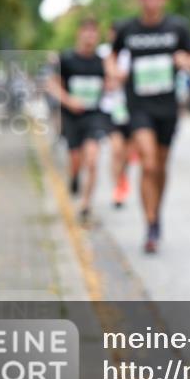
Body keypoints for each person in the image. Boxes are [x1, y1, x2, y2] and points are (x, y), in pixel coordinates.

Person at [106, 0, 190, 253]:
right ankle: (149, 224)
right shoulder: (127, 29)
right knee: (147, 163)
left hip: (167, 107)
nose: (151, 1)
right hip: (139, 106)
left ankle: (157, 215)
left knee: (160, 165)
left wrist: (186, 61)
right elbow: (111, 56)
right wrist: (115, 72)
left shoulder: (177, 28)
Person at [50, 18, 109, 225]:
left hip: (94, 116)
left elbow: (111, 82)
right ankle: (74, 178)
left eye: (94, 33)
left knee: (92, 160)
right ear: (79, 34)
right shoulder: (67, 59)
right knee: (75, 161)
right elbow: (52, 85)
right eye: (87, 32)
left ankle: (85, 204)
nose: (90, 36)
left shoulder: (102, 61)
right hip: (72, 117)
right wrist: (68, 100)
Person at [98, 29, 132, 209]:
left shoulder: (129, 54)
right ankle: (118, 189)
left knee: (127, 154)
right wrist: (106, 82)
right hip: (110, 108)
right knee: (116, 150)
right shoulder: (102, 53)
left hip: (130, 109)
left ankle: (122, 178)